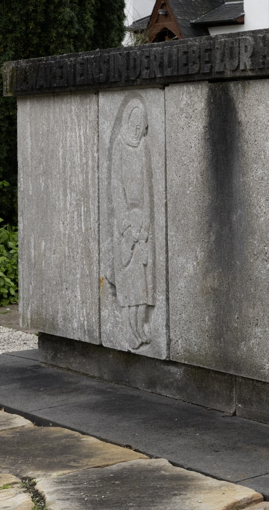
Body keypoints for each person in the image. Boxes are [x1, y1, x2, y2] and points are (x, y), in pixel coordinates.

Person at [109, 98, 154, 350]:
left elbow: (147, 188)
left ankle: (139, 328)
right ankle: (129, 331)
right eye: (134, 121)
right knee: (128, 285)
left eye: (141, 122)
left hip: (141, 221)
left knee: (141, 286)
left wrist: (145, 226)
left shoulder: (143, 147)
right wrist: (127, 227)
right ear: (128, 120)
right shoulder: (119, 145)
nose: (137, 127)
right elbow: (116, 187)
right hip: (126, 224)